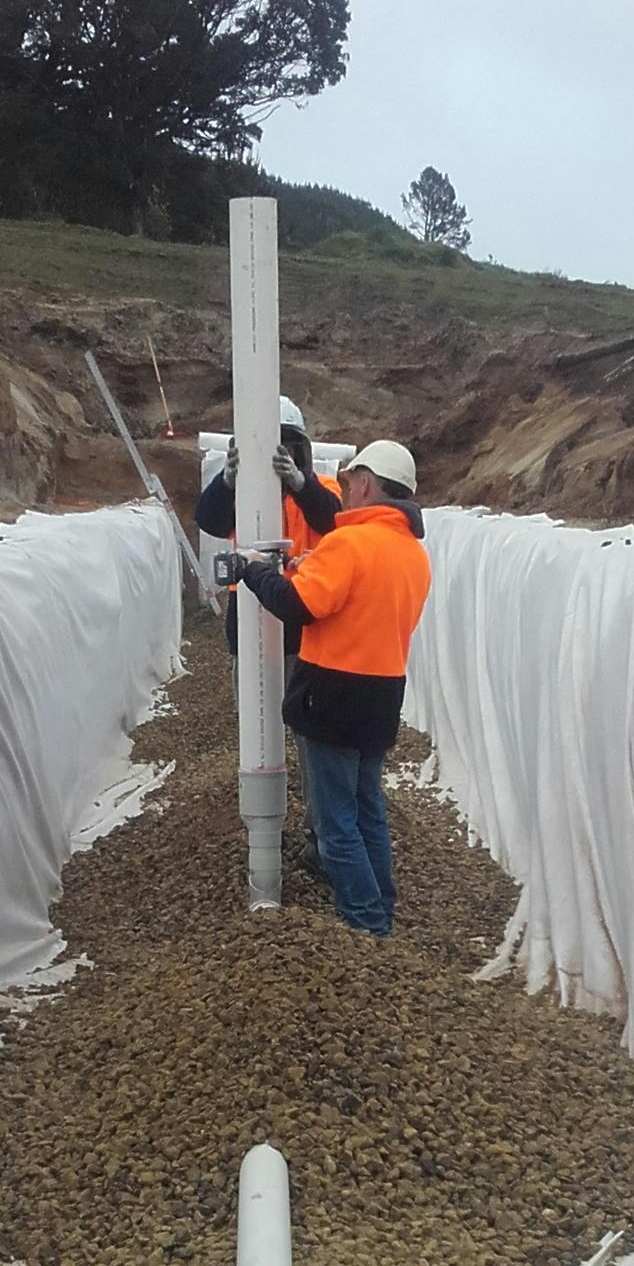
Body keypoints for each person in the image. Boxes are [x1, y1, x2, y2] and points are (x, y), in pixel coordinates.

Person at [235, 438, 431, 939]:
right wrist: (309, 571)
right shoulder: (412, 553)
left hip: (333, 698)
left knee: (337, 825)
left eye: (348, 485)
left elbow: (299, 607)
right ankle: (381, 908)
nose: (343, 494)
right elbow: (356, 602)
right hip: (381, 697)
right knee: (368, 811)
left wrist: (253, 572)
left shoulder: (349, 543)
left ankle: (365, 925)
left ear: (365, 484)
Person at [197, 396, 341, 869]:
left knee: (311, 739)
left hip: (303, 627)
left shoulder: (319, 489)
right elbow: (209, 519)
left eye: (288, 446)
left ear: (301, 449)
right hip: (253, 621)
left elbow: (332, 520)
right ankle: (263, 830)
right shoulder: (242, 492)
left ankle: (320, 836)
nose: (276, 456)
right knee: (258, 733)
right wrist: (228, 479)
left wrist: (299, 485)